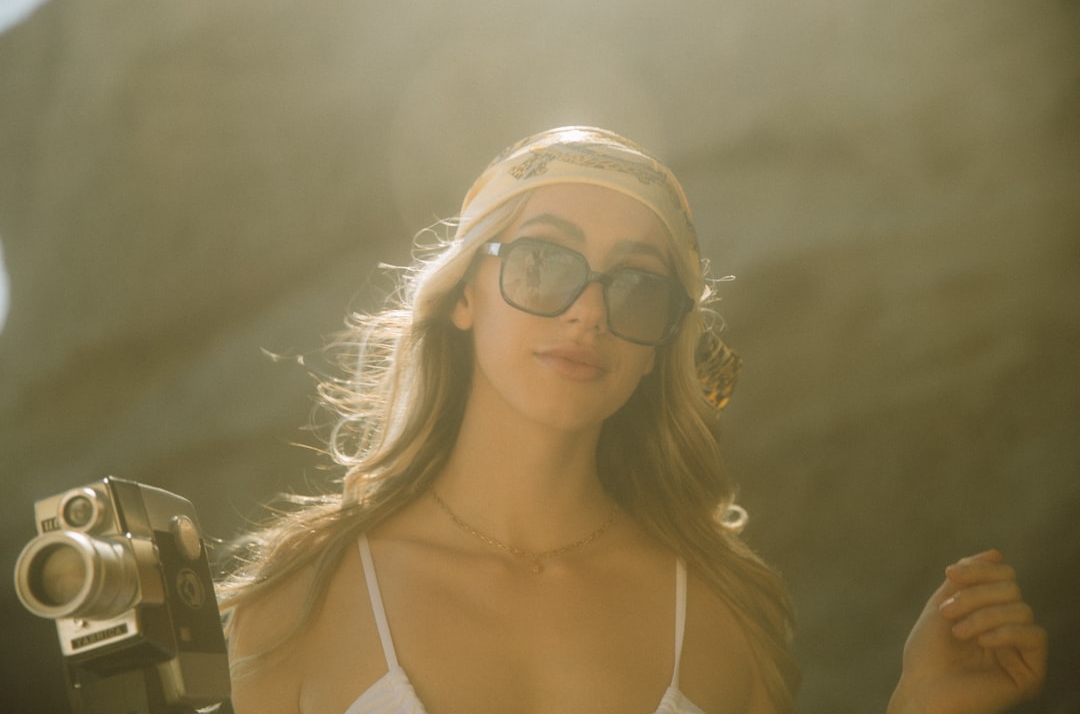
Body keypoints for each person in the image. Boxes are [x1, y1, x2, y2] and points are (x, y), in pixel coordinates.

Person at [217, 127, 1046, 714]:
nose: (589, 311)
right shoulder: (300, 604)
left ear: (661, 349)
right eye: (545, 261)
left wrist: (922, 707)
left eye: (637, 282)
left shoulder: (722, 614)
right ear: (466, 293)